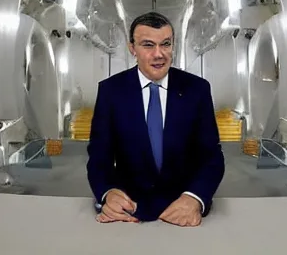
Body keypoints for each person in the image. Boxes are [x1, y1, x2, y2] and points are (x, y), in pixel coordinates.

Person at [87, 12, 225, 227]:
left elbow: (212, 156)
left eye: (166, 44)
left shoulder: (197, 89)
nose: (159, 54)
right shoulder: (111, 91)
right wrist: (108, 192)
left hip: (183, 210)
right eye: (148, 45)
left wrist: (195, 197)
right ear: (132, 48)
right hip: (128, 212)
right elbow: (98, 156)